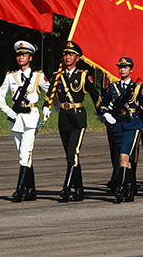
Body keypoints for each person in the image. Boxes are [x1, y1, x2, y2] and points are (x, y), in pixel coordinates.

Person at [43, 41, 101, 202]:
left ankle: (67, 188)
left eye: (71, 54)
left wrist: (102, 111)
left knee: (72, 154)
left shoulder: (83, 75)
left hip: (78, 117)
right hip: (64, 117)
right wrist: (46, 107)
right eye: (65, 54)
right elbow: (49, 95)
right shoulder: (57, 76)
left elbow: (95, 95)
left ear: (77, 58)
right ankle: (80, 189)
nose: (67, 57)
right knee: (71, 156)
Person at [0, 40, 50, 202]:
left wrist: (46, 108)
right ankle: (32, 190)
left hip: (32, 117)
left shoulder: (38, 76)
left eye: (24, 55)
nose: (21, 57)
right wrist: (7, 110)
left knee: (25, 153)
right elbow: (0, 95)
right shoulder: (10, 76)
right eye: (19, 55)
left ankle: (19, 190)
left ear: (30, 58)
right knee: (23, 154)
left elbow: (52, 92)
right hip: (16, 118)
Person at [100, 57, 143, 203]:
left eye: (125, 67)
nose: (122, 69)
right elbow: (104, 104)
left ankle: (121, 189)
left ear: (131, 70)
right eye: (120, 67)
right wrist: (105, 114)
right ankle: (129, 190)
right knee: (125, 159)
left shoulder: (137, 87)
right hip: (118, 125)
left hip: (132, 125)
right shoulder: (113, 87)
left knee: (124, 155)